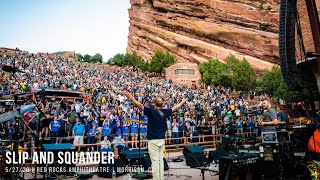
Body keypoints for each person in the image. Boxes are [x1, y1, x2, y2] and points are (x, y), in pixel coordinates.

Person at [124, 92, 187, 180]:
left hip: (153, 141)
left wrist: (131, 97)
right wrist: (183, 101)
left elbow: (140, 105)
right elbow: (175, 107)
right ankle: (161, 178)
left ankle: (157, 179)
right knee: (160, 160)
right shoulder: (165, 112)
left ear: (155, 104)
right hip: (161, 140)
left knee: (155, 162)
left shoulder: (151, 112)